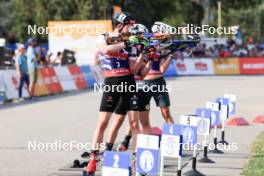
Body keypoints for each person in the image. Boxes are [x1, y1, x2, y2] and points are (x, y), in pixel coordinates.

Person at [83, 12, 146, 176]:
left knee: (134, 124)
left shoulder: (130, 40)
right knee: (103, 123)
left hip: (129, 81)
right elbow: (105, 49)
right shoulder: (103, 37)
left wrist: (144, 55)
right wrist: (126, 42)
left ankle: (138, 161)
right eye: (129, 25)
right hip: (112, 82)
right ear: (120, 25)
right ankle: (93, 159)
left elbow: (133, 69)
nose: (132, 28)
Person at [105, 24, 153, 152]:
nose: (143, 38)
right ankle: (108, 149)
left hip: (138, 88)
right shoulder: (130, 46)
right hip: (125, 84)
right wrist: (142, 55)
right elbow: (133, 69)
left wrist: (150, 60)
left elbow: (142, 74)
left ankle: (135, 150)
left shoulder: (138, 48)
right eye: (141, 36)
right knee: (119, 119)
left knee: (135, 123)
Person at [139, 22, 175, 134]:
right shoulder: (143, 41)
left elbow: (162, 70)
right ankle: (144, 143)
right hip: (143, 83)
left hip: (158, 82)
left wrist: (170, 55)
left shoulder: (163, 47)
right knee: (143, 118)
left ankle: (174, 140)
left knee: (166, 114)